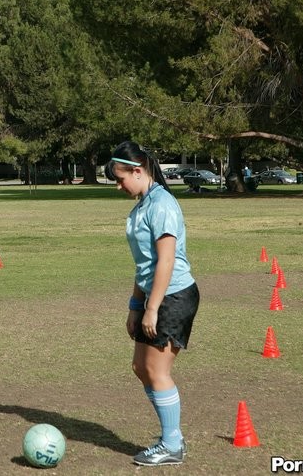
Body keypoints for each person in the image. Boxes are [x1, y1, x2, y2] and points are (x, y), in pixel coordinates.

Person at [105, 141, 200, 467]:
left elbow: (166, 261)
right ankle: (171, 440)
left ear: (137, 170)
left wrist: (152, 307)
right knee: (140, 368)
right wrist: (135, 304)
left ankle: (172, 444)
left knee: (157, 371)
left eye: (120, 179)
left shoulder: (162, 204)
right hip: (153, 296)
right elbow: (143, 262)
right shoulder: (143, 205)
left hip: (173, 296)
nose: (119, 187)